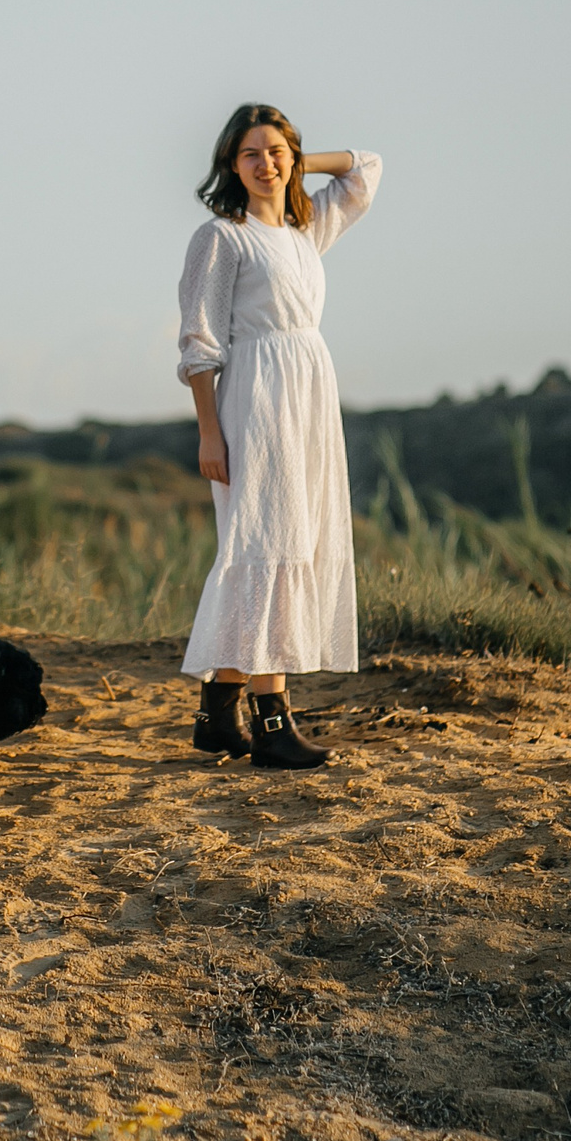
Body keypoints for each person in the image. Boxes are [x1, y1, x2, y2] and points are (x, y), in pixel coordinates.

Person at [175, 104, 381, 769]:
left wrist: (298, 163)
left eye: (276, 151)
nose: (265, 164)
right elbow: (199, 343)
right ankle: (271, 721)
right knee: (267, 546)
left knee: (291, 541)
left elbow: (365, 169)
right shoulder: (222, 237)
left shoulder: (304, 229)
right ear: (230, 165)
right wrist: (210, 433)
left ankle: (218, 714)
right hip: (255, 398)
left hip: (307, 395)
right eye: (251, 154)